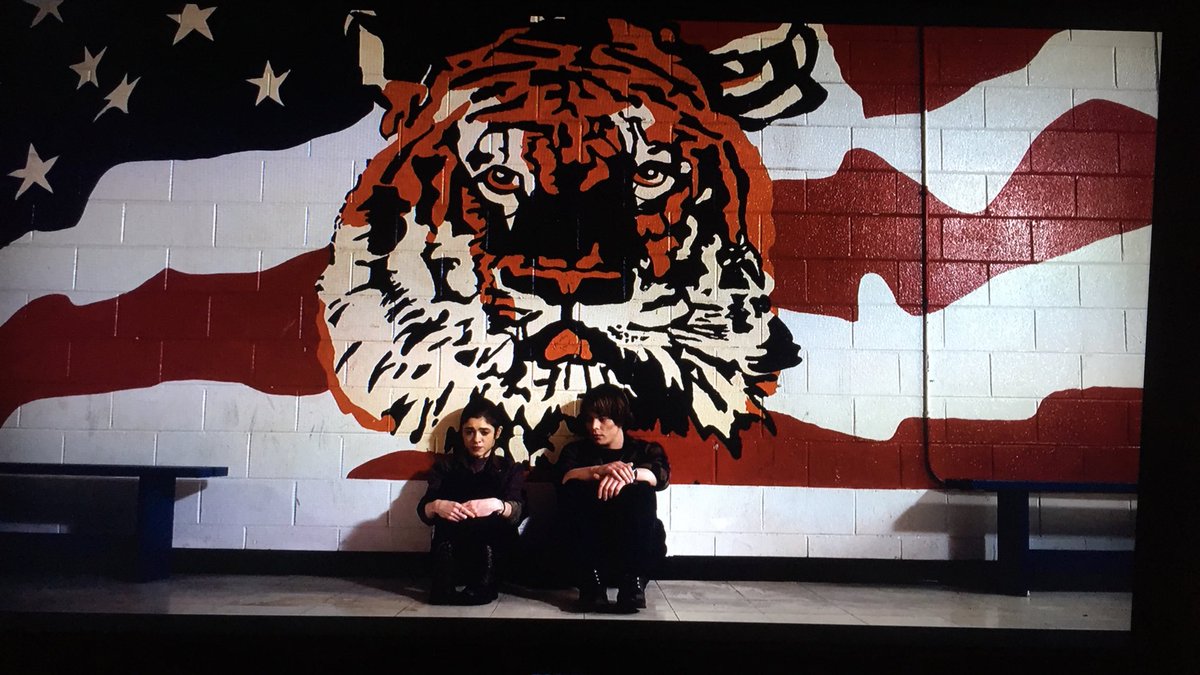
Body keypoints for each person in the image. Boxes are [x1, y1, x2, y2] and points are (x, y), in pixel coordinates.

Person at [555, 384, 670, 613]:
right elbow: (563, 477)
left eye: (602, 419)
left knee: (643, 490)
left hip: (631, 551)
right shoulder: (576, 451)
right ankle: (592, 586)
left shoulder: (643, 450)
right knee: (575, 487)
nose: (594, 427)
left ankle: (632, 585)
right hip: (589, 551)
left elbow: (661, 477)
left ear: (620, 418)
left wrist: (629, 475)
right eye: (589, 419)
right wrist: (599, 471)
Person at [417, 397, 525, 605]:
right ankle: (443, 582)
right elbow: (423, 510)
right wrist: (437, 506)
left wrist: (497, 505)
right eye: (469, 432)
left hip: (493, 552)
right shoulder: (445, 467)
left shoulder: (509, 469)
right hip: (455, 548)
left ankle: (483, 584)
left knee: (490, 512)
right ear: (462, 433)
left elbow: (518, 511)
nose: (476, 439)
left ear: (497, 433)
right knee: (446, 512)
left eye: (484, 432)